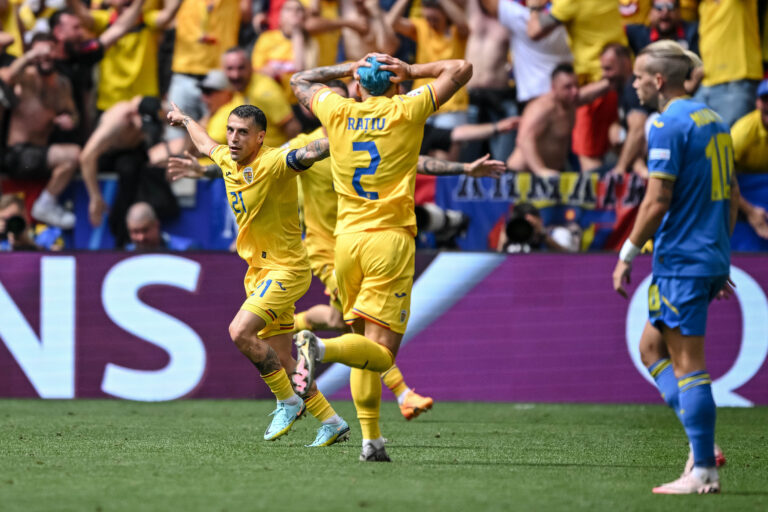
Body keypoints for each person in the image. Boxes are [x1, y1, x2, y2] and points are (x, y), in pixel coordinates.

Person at [289, 53, 472, 461]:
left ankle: (371, 441)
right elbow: (460, 69)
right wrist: (411, 71)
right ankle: (319, 348)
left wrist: (348, 66)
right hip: (389, 240)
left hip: (347, 243)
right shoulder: (406, 108)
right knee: (382, 352)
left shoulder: (336, 111)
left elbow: (300, 78)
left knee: (362, 344)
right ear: (395, 84)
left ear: (357, 84)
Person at [166, 101, 351, 448]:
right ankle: (332, 421)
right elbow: (206, 144)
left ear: (261, 137)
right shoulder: (227, 158)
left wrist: (349, 135)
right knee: (283, 358)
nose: (234, 139)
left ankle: (288, 401)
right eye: (231, 130)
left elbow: (309, 152)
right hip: (260, 270)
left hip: (288, 269)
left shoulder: (274, 162)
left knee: (239, 332)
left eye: (243, 133)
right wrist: (186, 119)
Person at [612, 40, 739, 494]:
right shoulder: (716, 121)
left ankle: (703, 467)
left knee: (688, 365)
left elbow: (657, 199)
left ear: (659, 80)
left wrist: (627, 253)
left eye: (640, 77)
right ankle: (702, 442)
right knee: (652, 348)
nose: (635, 84)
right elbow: (730, 197)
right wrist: (720, 257)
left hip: (683, 259)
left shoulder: (666, 123)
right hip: (705, 254)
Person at [527, 0, 628, 171]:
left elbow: (534, 31)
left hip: (599, 84)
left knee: (588, 155)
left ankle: (597, 198)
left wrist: (534, 7)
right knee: (618, 146)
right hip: (618, 80)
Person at [1, 34, 79, 229]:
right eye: (40, 52)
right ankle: (45, 205)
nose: (45, 56)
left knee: (75, 155)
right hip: (17, 155)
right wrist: (30, 55)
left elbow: (74, 114)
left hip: (42, 154)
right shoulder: (25, 78)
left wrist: (70, 121)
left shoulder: (62, 84)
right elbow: (9, 75)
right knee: (73, 154)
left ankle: (46, 203)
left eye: (49, 51)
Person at [79, 95, 173, 244]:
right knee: (128, 169)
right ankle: (121, 232)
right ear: (134, 114)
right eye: (143, 125)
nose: (144, 131)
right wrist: (95, 197)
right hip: (108, 155)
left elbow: (186, 127)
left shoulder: (159, 111)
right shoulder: (118, 120)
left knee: (153, 166)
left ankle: (157, 216)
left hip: (134, 152)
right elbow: (86, 157)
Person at [506, 63, 608, 176]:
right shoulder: (542, 108)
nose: (574, 91)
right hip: (524, 174)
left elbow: (590, 93)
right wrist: (540, 170)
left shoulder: (571, 102)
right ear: (553, 88)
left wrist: (610, 81)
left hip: (550, 174)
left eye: (576, 85)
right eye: (567, 87)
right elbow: (524, 140)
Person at [693, 0, 762, 127]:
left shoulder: (738, 3)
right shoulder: (704, 5)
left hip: (736, 83)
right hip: (706, 84)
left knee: (729, 142)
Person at [217, 47, 301, 148]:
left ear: (251, 66)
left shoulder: (264, 91)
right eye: (230, 68)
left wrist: (289, 159)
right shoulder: (239, 87)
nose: (236, 75)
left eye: (241, 68)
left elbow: (292, 127)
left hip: (273, 157)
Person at [729, 79, 768, 244]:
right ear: (757, 103)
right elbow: (721, 176)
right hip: (741, 188)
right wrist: (750, 212)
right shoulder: (742, 133)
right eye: (765, 99)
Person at [625, 1, 699, 56]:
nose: (665, 12)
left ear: (679, 11)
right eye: (659, 7)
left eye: (670, 7)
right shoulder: (637, 35)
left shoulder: (695, 32)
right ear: (650, 12)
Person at [124, 201, 195, 251]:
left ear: (156, 225)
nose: (141, 237)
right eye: (135, 232)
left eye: (145, 230)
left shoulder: (186, 249)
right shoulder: (125, 255)